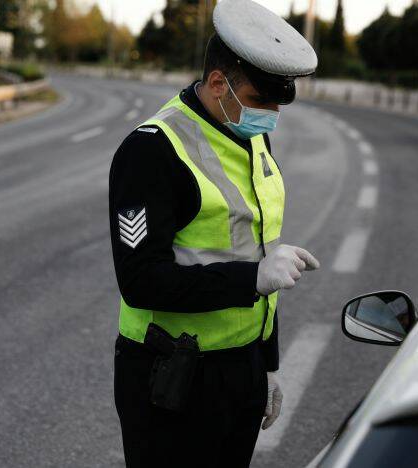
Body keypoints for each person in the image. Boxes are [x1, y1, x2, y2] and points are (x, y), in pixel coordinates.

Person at [108, 0, 319, 466]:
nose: (270, 116)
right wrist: (252, 279)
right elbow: (141, 281)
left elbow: (254, 245)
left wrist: (264, 367)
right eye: (261, 102)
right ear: (219, 82)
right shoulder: (153, 151)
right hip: (171, 378)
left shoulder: (249, 135)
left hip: (237, 370)